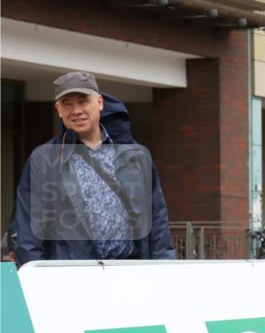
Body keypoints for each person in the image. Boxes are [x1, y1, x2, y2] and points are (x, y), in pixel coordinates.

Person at [14, 72, 174, 264]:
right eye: (67, 103)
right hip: (73, 277)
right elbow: (28, 233)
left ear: (99, 102)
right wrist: (36, 279)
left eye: (83, 101)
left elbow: (157, 218)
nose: (76, 110)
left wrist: (164, 265)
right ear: (58, 109)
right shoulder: (44, 160)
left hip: (131, 272)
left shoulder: (134, 156)